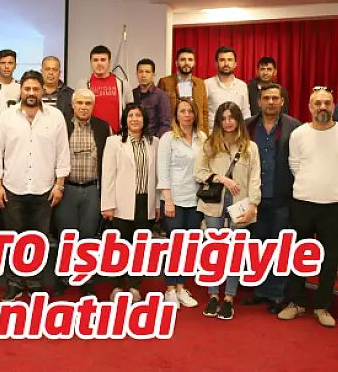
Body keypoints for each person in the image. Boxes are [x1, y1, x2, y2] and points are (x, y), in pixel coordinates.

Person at [0, 70, 70, 301]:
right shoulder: (7, 117)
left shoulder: (55, 117)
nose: (32, 93)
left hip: (44, 189)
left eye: (36, 89)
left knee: (38, 239)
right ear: (21, 90)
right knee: (13, 238)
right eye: (27, 89)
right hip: (12, 188)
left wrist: (60, 184)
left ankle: (35, 283)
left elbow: (62, 153)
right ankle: (14, 283)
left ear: (43, 90)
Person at [195, 101, 261, 320]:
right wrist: (222, 179)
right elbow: (199, 172)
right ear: (218, 121)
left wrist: (253, 205)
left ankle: (229, 297)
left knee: (235, 252)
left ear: (238, 119)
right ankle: (213, 295)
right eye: (223, 118)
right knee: (214, 250)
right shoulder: (210, 145)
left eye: (231, 117)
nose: (228, 122)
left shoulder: (250, 147)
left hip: (240, 204)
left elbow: (255, 179)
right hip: (214, 204)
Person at [280, 86, 338, 328]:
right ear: (310, 107)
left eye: (327, 103)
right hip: (303, 202)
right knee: (299, 256)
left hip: (333, 205)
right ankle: (296, 303)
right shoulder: (299, 134)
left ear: (333, 106)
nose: (322, 107)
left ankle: (322, 306)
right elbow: (294, 165)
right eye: (318, 103)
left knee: (330, 259)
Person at [242, 84, 300, 313]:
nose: (271, 102)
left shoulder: (295, 127)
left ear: (282, 101)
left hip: (281, 197)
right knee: (257, 246)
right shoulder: (247, 126)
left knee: (279, 247)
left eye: (275, 98)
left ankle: (277, 294)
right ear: (259, 101)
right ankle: (260, 290)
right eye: (266, 98)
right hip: (254, 199)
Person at [52, 89, 110, 297]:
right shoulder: (62, 125)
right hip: (67, 189)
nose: (84, 107)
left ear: (93, 106)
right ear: (73, 105)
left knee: (88, 236)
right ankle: (63, 277)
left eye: (88, 103)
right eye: (80, 103)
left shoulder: (102, 127)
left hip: (93, 189)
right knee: (66, 236)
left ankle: (86, 278)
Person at [101, 103, 160, 302]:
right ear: (125, 120)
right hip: (121, 202)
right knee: (120, 247)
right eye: (130, 115)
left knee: (140, 247)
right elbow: (108, 175)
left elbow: (157, 176)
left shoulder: (154, 142)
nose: (134, 119)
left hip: (145, 202)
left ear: (144, 119)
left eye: (138, 115)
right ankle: (117, 286)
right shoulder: (114, 142)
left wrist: (157, 204)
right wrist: (107, 204)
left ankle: (135, 286)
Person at [157, 97, 205, 308]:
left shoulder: (202, 137)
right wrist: (167, 200)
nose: (186, 115)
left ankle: (181, 287)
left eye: (190, 111)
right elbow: (162, 171)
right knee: (175, 246)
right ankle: (169, 289)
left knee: (189, 247)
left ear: (195, 114)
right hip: (173, 200)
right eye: (182, 111)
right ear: (176, 115)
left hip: (195, 200)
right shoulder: (168, 138)